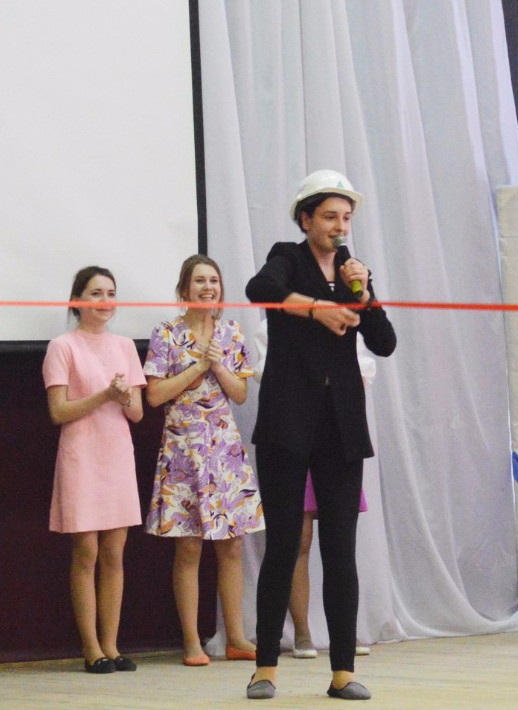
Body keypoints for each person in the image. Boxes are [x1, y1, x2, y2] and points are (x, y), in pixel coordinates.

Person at [243, 170, 396, 701]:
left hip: (341, 424)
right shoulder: (287, 258)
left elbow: (384, 342)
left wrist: (365, 294)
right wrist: (314, 307)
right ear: (306, 219)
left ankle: (343, 672)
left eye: (346, 217)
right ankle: (265, 668)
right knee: (284, 545)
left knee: (340, 549)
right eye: (330, 216)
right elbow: (258, 289)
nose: (339, 226)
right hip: (287, 422)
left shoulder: (354, 273)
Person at [143, 255, 264, 667]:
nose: (208, 287)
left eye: (213, 280)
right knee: (189, 547)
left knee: (232, 546)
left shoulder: (231, 333)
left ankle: (236, 637)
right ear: (184, 289)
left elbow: (240, 394)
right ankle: (192, 642)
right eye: (199, 280)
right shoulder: (166, 332)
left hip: (223, 450)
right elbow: (155, 395)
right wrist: (198, 366)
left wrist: (218, 365)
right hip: (184, 450)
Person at [43, 266, 146, 674]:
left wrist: (122, 397)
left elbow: (137, 413)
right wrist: (104, 394)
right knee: (86, 551)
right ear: (78, 300)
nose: (105, 301)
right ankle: (91, 648)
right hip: (82, 455)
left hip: (117, 454)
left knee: (115, 553)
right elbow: (58, 412)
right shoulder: (62, 346)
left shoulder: (124, 346)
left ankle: (112, 645)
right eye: (96, 293)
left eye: (111, 293)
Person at [251, 322, 374, 661]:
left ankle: (343, 641)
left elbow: (366, 367)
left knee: (341, 545)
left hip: (336, 437)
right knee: (295, 541)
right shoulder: (273, 325)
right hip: (292, 439)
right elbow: (264, 373)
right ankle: (301, 632)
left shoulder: (344, 321)